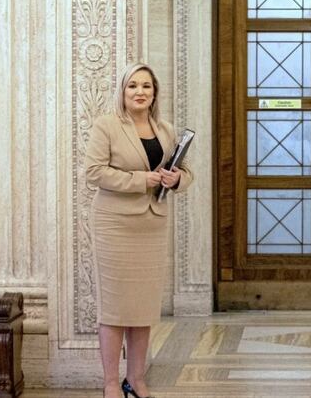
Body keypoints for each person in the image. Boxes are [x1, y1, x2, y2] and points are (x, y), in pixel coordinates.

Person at [86, 62, 193, 398]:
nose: (140, 92)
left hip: (152, 225)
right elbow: (94, 172)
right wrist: (140, 181)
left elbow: (186, 171)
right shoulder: (106, 126)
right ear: (123, 91)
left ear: (154, 92)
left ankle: (136, 379)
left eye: (146, 86)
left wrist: (177, 180)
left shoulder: (166, 129)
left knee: (143, 308)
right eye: (133, 86)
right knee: (116, 308)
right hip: (115, 225)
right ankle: (110, 383)